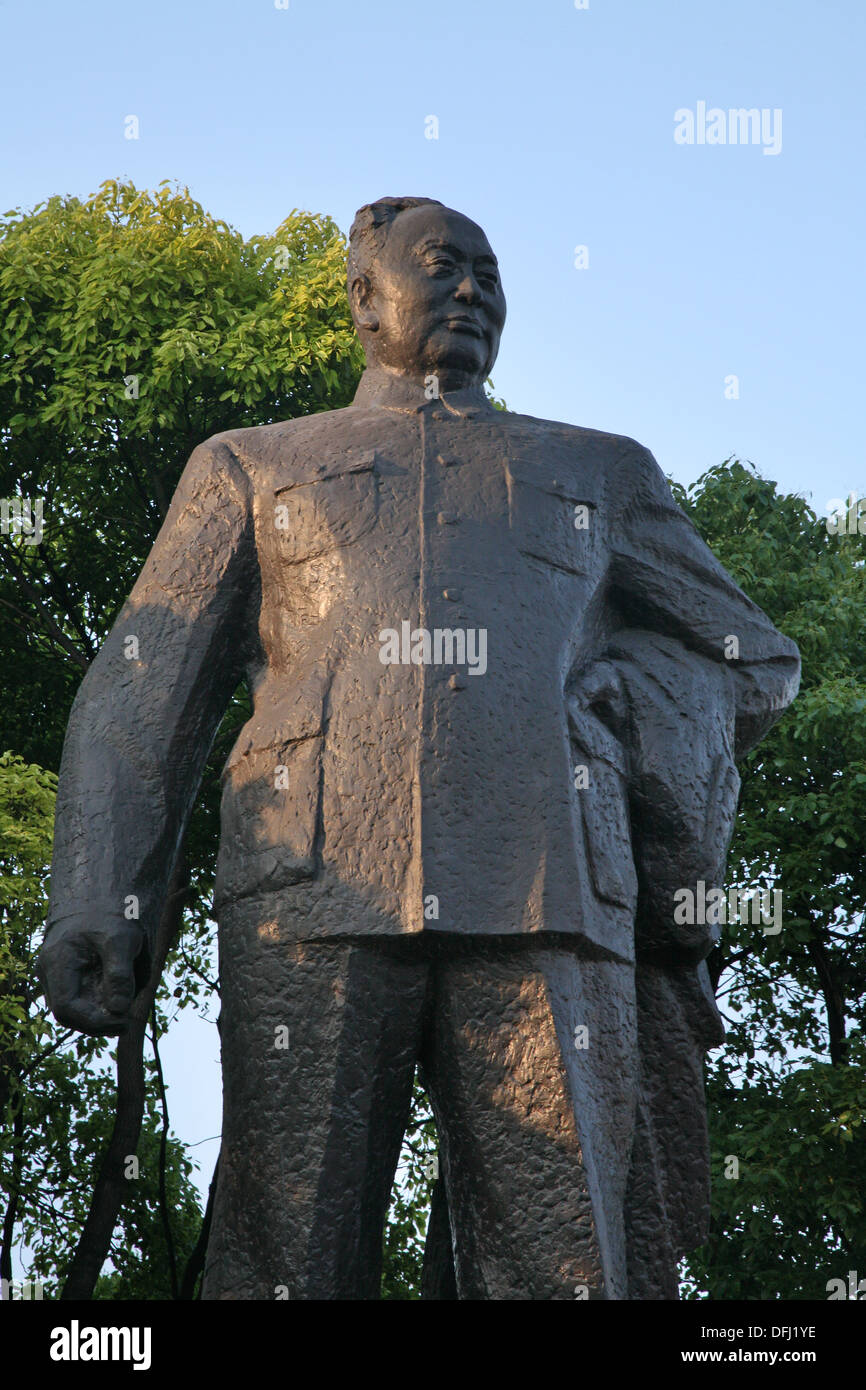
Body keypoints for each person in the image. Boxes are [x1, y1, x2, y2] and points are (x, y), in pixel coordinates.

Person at [39, 196, 800, 1299]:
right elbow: (141, 684)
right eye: (442, 265)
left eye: (491, 273)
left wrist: (610, 698)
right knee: (281, 1247)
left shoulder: (601, 473)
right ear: (362, 298)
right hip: (312, 888)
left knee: (566, 1259)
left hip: (546, 893)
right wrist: (97, 893)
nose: (472, 290)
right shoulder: (252, 466)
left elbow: (749, 657)